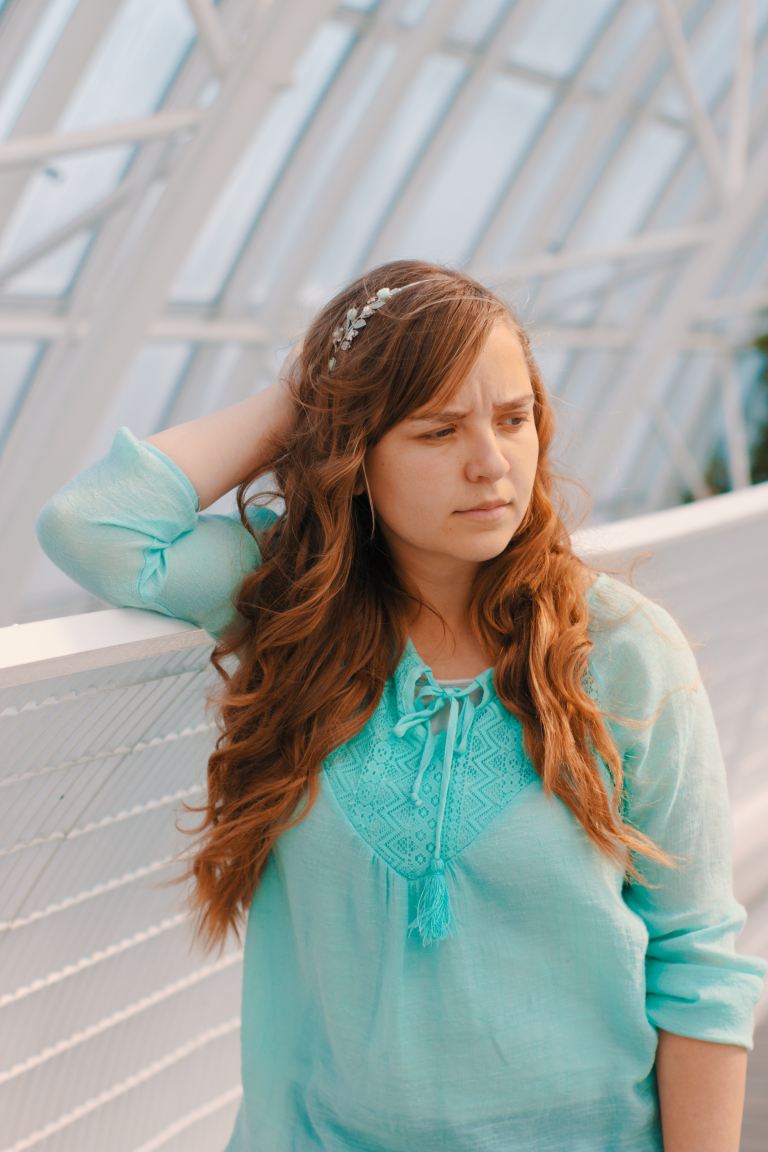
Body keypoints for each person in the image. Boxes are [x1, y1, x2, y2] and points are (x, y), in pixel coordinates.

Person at [35, 259, 766, 1152]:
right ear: (354, 454)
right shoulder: (290, 610)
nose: (491, 463)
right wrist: (302, 398)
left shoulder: (619, 652)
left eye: (513, 418)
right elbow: (96, 527)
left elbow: (696, 960)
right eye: (436, 430)